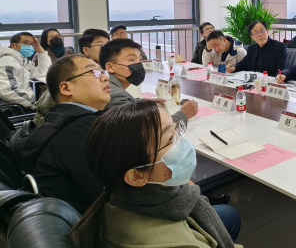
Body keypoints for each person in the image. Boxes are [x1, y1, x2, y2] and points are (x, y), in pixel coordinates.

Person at [71, 100, 242, 248]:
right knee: (231, 215)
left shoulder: (118, 194)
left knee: (229, 214)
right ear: (136, 176)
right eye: (170, 140)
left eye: (177, 130)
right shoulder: (182, 244)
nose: (182, 141)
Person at [21, 54, 111, 213]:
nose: (105, 78)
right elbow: (106, 197)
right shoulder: (81, 129)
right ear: (66, 88)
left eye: (103, 72)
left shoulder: (59, 119)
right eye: (94, 73)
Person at [100, 39, 198, 123]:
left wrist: (145, 102)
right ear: (110, 67)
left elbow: (126, 104)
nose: (138, 64)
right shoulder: (115, 95)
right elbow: (150, 129)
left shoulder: (111, 86)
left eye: (139, 60)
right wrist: (184, 114)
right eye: (132, 60)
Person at [34, 28, 110, 126]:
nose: (107, 49)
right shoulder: (74, 69)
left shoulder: (100, 69)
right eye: (101, 45)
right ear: (86, 50)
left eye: (108, 45)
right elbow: (48, 109)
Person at [0, 32, 51, 109]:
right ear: (13, 45)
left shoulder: (23, 62)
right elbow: (7, 91)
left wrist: (41, 51)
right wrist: (33, 105)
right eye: (26, 43)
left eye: (32, 44)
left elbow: (42, 71)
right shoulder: (8, 61)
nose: (30, 46)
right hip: (11, 107)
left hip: (21, 104)